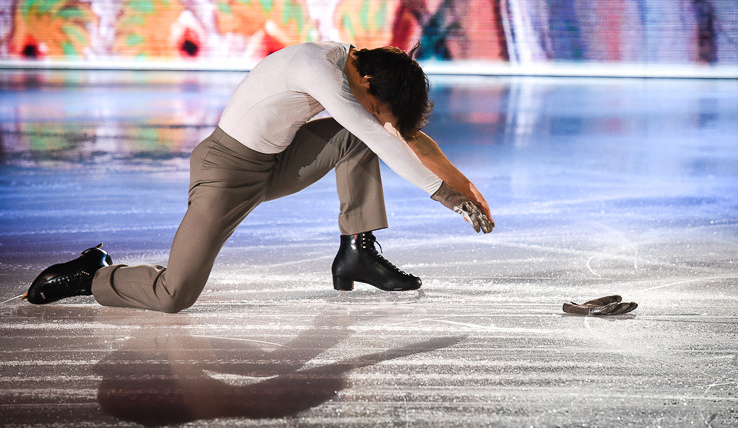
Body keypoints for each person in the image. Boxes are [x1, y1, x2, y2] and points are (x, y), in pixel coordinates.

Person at [24, 41, 494, 312]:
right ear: (367, 84)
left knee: (360, 137)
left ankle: (357, 251)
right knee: (173, 296)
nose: (372, 114)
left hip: (277, 164)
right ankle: (95, 275)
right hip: (225, 172)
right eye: (374, 107)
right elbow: (383, 137)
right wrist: (449, 199)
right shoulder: (320, 70)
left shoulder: (357, 70)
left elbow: (398, 135)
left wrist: (463, 184)